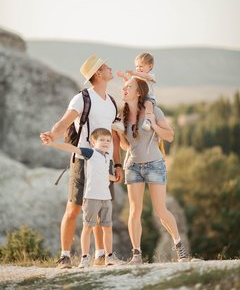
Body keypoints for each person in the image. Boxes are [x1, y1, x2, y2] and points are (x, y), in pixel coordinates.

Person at [40, 55, 123, 269]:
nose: (110, 68)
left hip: (105, 164)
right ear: (97, 73)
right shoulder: (82, 98)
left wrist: (118, 163)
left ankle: (100, 256)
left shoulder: (112, 102)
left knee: (100, 209)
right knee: (74, 210)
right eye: (106, 66)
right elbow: (64, 122)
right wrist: (52, 134)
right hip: (82, 161)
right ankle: (65, 256)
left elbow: (114, 136)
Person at [115, 76, 190, 264]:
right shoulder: (121, 113)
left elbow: (170, 136)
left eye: (128, 86)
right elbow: (126, 146)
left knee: (160, 210)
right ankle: (136, 254)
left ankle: (180, 248)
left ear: (138, 92)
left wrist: (154, 125)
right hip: (132, 166)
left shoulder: (154, 111)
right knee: (134, 210)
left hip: (154, 164)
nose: (124, 89)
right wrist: (117, 132)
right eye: (123, 86)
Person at [43, 128, 124, 268]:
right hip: (91, 198)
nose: (106, 143)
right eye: (102, 140)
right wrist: (53, 144)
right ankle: (85, 258)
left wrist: (114, 178)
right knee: (88, 227)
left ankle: (109, 257)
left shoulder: (106, 157)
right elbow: (72, 148)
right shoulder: (91, 153)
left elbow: (103, 175)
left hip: (106, 198)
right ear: (93, 142)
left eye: (108, 141)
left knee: (107, 227)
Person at [116, 53, 156, 131]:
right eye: (137, 66)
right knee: (126, 105)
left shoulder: (150, 76)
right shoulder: (135, 76)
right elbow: (128, 83)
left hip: (148, 98)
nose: (138, 68)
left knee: (149, 104)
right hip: (137, 97)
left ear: (150, 66)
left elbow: (145, 76)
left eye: (141, 66)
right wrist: (123, 76)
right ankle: (121, 122)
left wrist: (135, 73)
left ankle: (148, 120)